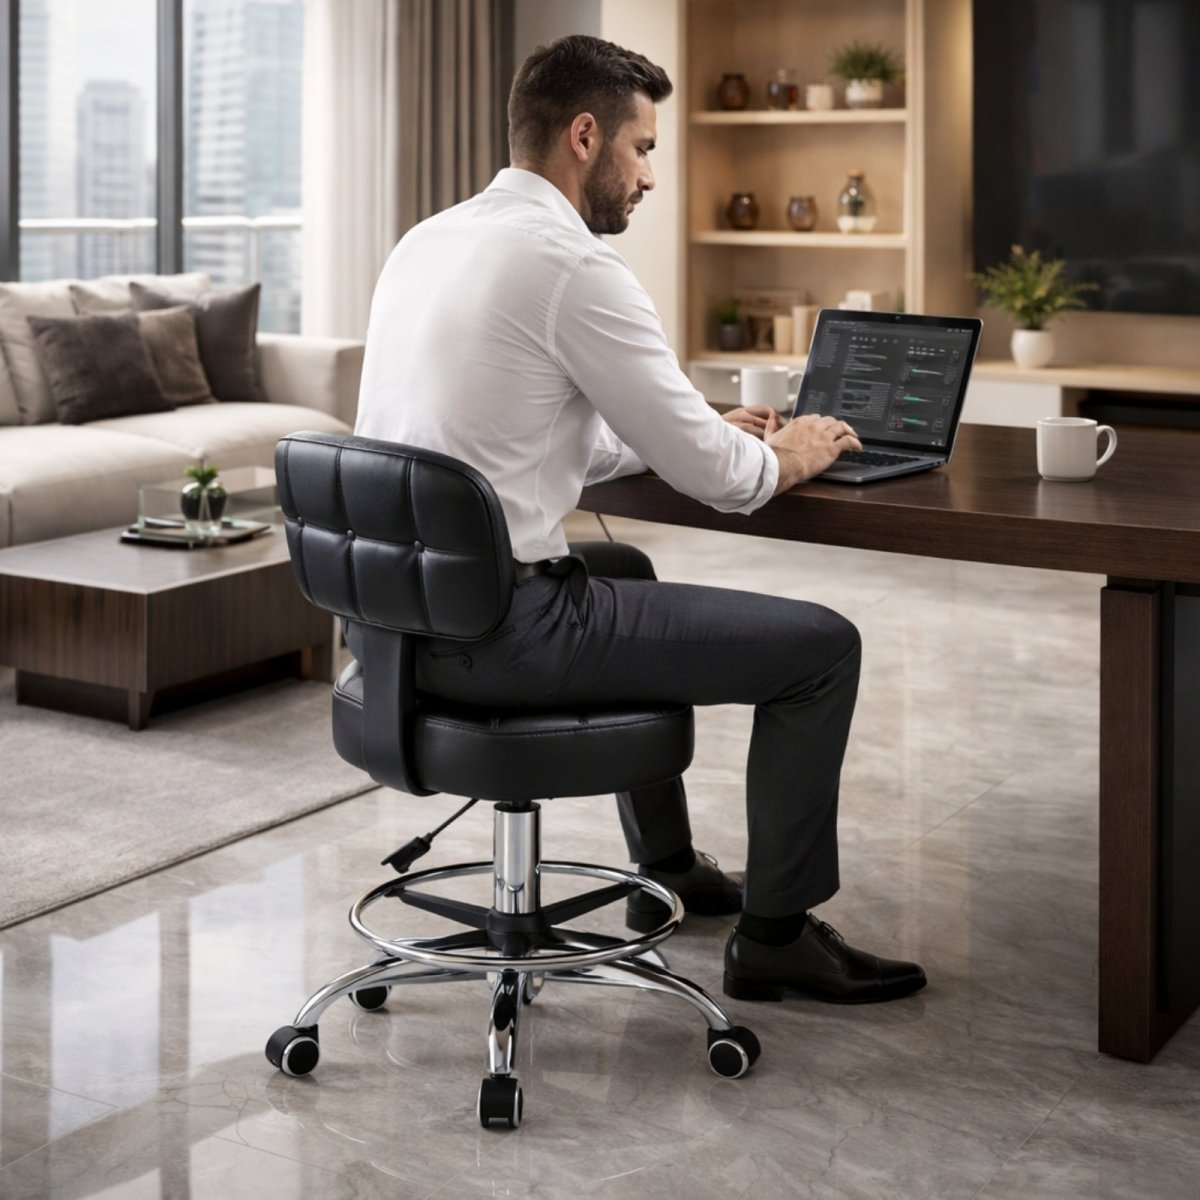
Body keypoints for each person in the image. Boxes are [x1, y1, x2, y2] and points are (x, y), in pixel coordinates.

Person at [355, 35, 925, 1005]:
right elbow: (727, 483)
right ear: (585, 137)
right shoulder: (572, 265)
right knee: (822, 648)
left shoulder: (430, 240)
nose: (651, 176)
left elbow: (511, 436)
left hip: (392, 625)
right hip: (504, 636)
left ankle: (668, 866)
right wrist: (792, 451)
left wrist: (682, 432)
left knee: (625, 574)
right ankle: (777, 937)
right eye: (644, 148)